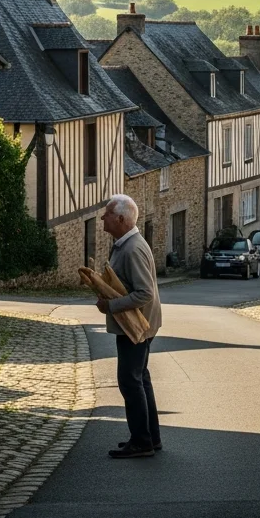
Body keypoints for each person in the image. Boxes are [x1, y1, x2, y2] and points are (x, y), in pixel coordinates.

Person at [94, 194, 162, 459]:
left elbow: (145, 293)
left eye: (107, 214)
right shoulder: (127, 243)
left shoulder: (132, 248)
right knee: (140, 379)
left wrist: (111, 306)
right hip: (139, 324)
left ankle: (142, 442)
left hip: (136, 326)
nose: (103, 218)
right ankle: (149, 438)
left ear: (121, 219)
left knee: (130, 382)